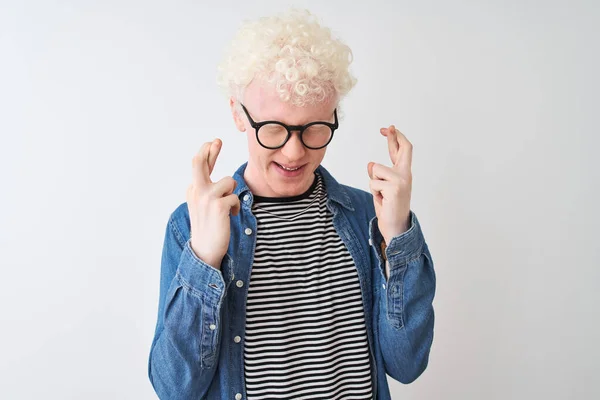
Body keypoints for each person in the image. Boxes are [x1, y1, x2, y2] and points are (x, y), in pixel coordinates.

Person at [148, 8, 436, 400]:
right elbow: (173, 388)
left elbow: (407, 364)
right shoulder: (191, 226)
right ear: (238, 113)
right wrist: (203, 258)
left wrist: (397, 235)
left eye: (314, 127)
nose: (294, 150)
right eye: (274, 128)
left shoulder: (368, 217)